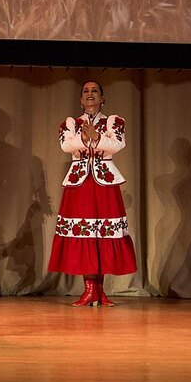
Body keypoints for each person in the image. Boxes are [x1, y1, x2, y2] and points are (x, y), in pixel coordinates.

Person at [46, 81, 137, 306]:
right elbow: (66, 147)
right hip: (79, 182)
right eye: (85, 91)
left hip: (105, 181)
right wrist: (85, 138)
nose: (89, 94)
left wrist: (97, 137)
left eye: (94, 91)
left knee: (102, 235)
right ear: (80, 99)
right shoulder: (70, 123)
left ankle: (99, 290)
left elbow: (117, 145)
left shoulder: (113, 122)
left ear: (102, 98)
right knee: (84, 233)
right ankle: (89, 289)